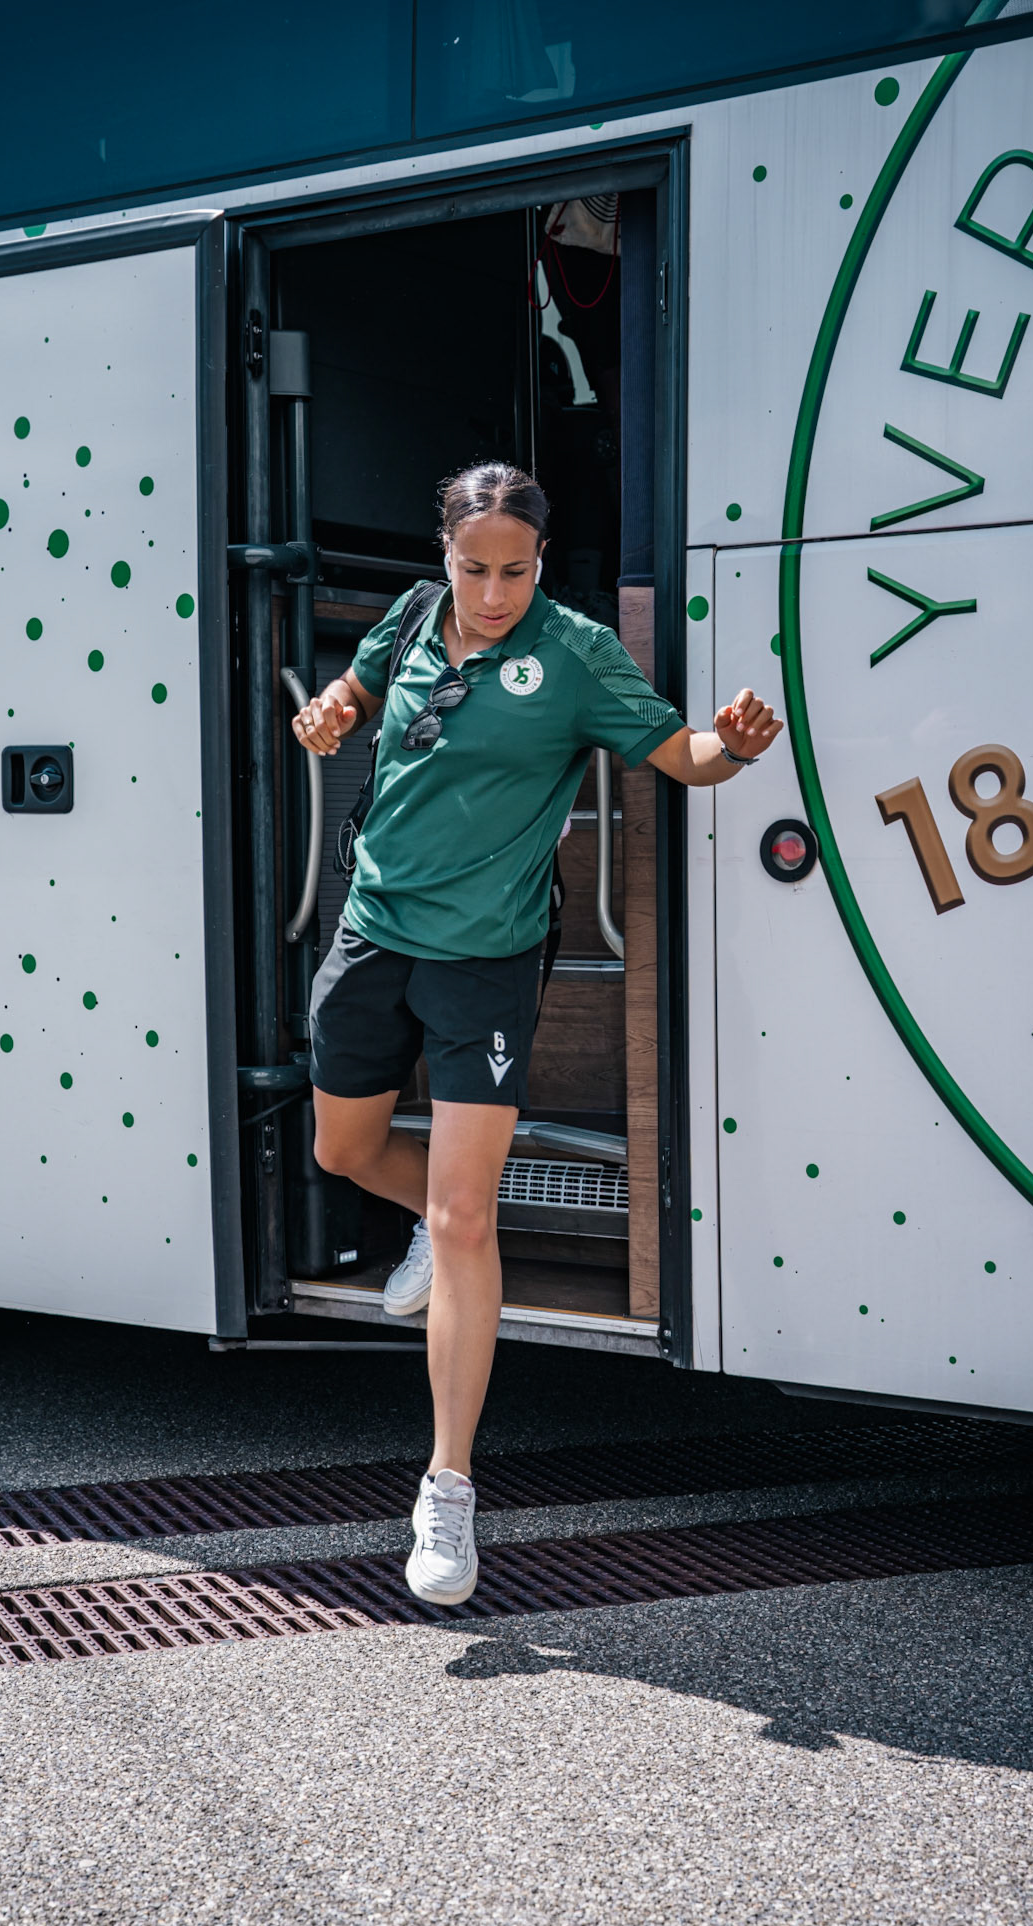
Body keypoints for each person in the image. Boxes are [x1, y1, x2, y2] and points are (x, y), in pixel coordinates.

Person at [291, 463, 782, 1607]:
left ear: (542, 560)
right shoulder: (414, 614)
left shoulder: (575, 654)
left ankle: (448, 1490)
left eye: (517, 569)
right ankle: (424, 1218)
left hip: (489, 959)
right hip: (372, 933)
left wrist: (738, 744)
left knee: (470, 1214)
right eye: (477, 568)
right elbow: (357, 692)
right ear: (445, 555)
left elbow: (683, 758)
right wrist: (332, 708)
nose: (496, 591)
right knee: (344, 1152)